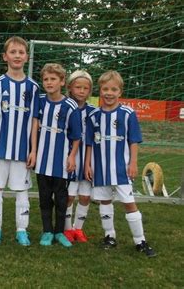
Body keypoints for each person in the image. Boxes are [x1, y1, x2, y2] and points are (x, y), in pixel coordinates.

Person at [84, 70, 156, 258]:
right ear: (100, 91)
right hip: (100, 168)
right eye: (105, 89)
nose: (109, 93)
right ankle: (109, 236)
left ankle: (140, 240)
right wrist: (87, 164)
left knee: (129, 203)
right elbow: (90, 143)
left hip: (122, 169)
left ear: (120, 92)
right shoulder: (94, 115)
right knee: (105, 201)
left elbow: (133, 140)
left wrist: (133, 163)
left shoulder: (127, 113)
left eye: (113, 89)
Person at [0, 37, 39, 246]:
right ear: (5, 56)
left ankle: (21, 230)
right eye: (13, 52)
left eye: (21, 52)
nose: (17, 56)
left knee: (22, 190)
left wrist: (34, 150)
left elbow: (35, 121)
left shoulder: (33, 87)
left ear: (27, 56)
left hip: (22, 149)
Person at [35, 63, 81, 248]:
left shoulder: (70, 106)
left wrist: (71, 156)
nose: (49, 82)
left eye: (53, 79)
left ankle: (60, 232)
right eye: (46, 79)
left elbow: (76, 136)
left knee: (61, 199)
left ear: (62, 81)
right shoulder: (39, 101)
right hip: (42, 161)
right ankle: (47, 231)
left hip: (61, 162)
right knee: (45, 199)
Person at [63, 70, 95, 243]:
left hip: (86, 161)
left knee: (85, 196)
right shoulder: (65, 106)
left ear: (90, 91)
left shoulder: (93, 111)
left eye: (85, 88)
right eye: (78, 87)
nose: (81, 91)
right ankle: (67, 229)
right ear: (70, 88)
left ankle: (78, 229)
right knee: (69, 196)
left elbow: (91, 140)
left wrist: (89, 163)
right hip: (69, 160)